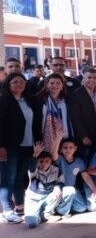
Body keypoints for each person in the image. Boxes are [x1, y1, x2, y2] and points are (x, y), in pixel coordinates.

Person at [0, 73, 36, 223]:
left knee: (19, 178)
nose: (19, 84)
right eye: (15, 82)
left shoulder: (27, 100)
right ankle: (7, 211)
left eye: (22, 82)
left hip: (27, 145)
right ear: (8, 84)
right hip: (10, 146)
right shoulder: (4, 100)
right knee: (8, 178)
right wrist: (1, 146)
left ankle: (19, 208)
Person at [24, 142, 76, 228]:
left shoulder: (56, 169)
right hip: (34, 199)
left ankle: (50, 214)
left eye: (47, 161)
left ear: (51, 160)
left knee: (70, 190)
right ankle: (39, 213)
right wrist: (35, 154)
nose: (43, 164)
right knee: (32, 223)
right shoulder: (34, 170)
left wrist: (57, 187)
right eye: (41, 161)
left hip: (48, 197)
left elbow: (60, 181)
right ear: (37, 161)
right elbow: (31, 166)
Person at [69, 68, 96, 162]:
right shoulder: (76, 94)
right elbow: (75, 118)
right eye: (89, 77)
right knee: (85, 158)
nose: (92, 80)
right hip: (85, 133)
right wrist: (83, 136)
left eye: (95, 77)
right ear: (84, 77)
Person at [52, 136, 96, 214]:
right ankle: (61, 210)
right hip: (60, 190)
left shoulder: (79, 162)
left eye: (71, 147)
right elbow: (53, 154)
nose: (68, 150)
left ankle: (63, 208)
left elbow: (85, 176)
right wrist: (58, 137)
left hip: (73, 189)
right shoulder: (60, 159)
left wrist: (93, 189)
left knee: (82, 208)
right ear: (61, 150)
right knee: (70, 191)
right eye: (65, 148)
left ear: (75, 148)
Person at [32, 73, 72, 153]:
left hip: (65, 138)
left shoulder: (67, 100)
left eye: (58, 83)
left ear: (62, 85)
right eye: (52, 83)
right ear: (47, 85)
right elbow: (35, 121)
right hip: (44, 138)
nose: (55, 85)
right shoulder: (38, 100)